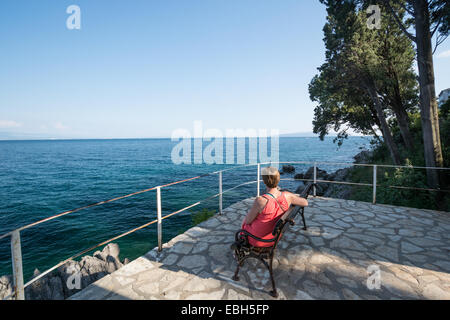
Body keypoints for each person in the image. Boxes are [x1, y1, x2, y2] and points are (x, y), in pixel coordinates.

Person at [241, 166, 308, 247]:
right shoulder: (287, 195)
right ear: (278, 179)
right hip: (275, 237)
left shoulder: (261, 201)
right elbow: (305, 203)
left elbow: (248, 221)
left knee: (244, 221)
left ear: (265, 182)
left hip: (259, 240)